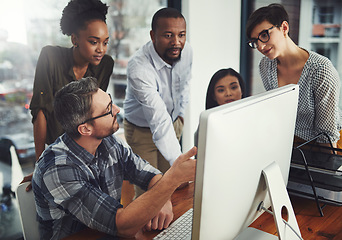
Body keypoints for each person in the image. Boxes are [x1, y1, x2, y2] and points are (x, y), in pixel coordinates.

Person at [32, 77, 197, 240]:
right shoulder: (57, 169)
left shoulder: (108, 142)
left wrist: (164, 201)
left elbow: (151, 175)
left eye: (111, 102)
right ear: (85, 129)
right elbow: (123, 225)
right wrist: (173, 179)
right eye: (108, 109)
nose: (117, 110)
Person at [22, 0, 114, 188]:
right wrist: (40, 165)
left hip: (85, 150)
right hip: (54, 150)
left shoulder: (105, 65)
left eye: (105, 42)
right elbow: (40, 112)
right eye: (93, 42)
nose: (101, 50)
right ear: (74, 39)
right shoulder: (50, 57)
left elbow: (94, 115)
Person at [246, 3, 342, 150]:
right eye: (255, 42)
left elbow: (326, 135)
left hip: (327, 147)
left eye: (264, 35)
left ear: (284, 28)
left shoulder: (321, 70)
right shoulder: (266, 66)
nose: (260, 46)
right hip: (292, 142)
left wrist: (323, 171)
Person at [123, 8, 193, 195]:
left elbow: (185, 84)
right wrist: (181, 164)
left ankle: (173, 225)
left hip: (171, 123)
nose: (176, 42)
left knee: (173, 186)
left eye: (181, 35)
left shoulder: (186, 52)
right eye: (168, 35)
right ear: (153, 35)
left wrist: (180, 114)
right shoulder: (139, 67)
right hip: (141, 132)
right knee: (150, 193)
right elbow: (158, 117)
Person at [194, 68, 245, 147]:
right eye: (221, 90)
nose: (228, 94)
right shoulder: (207, 123)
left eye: (234, 87)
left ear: (241, 90)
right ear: (214, 96)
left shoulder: (252, 116)